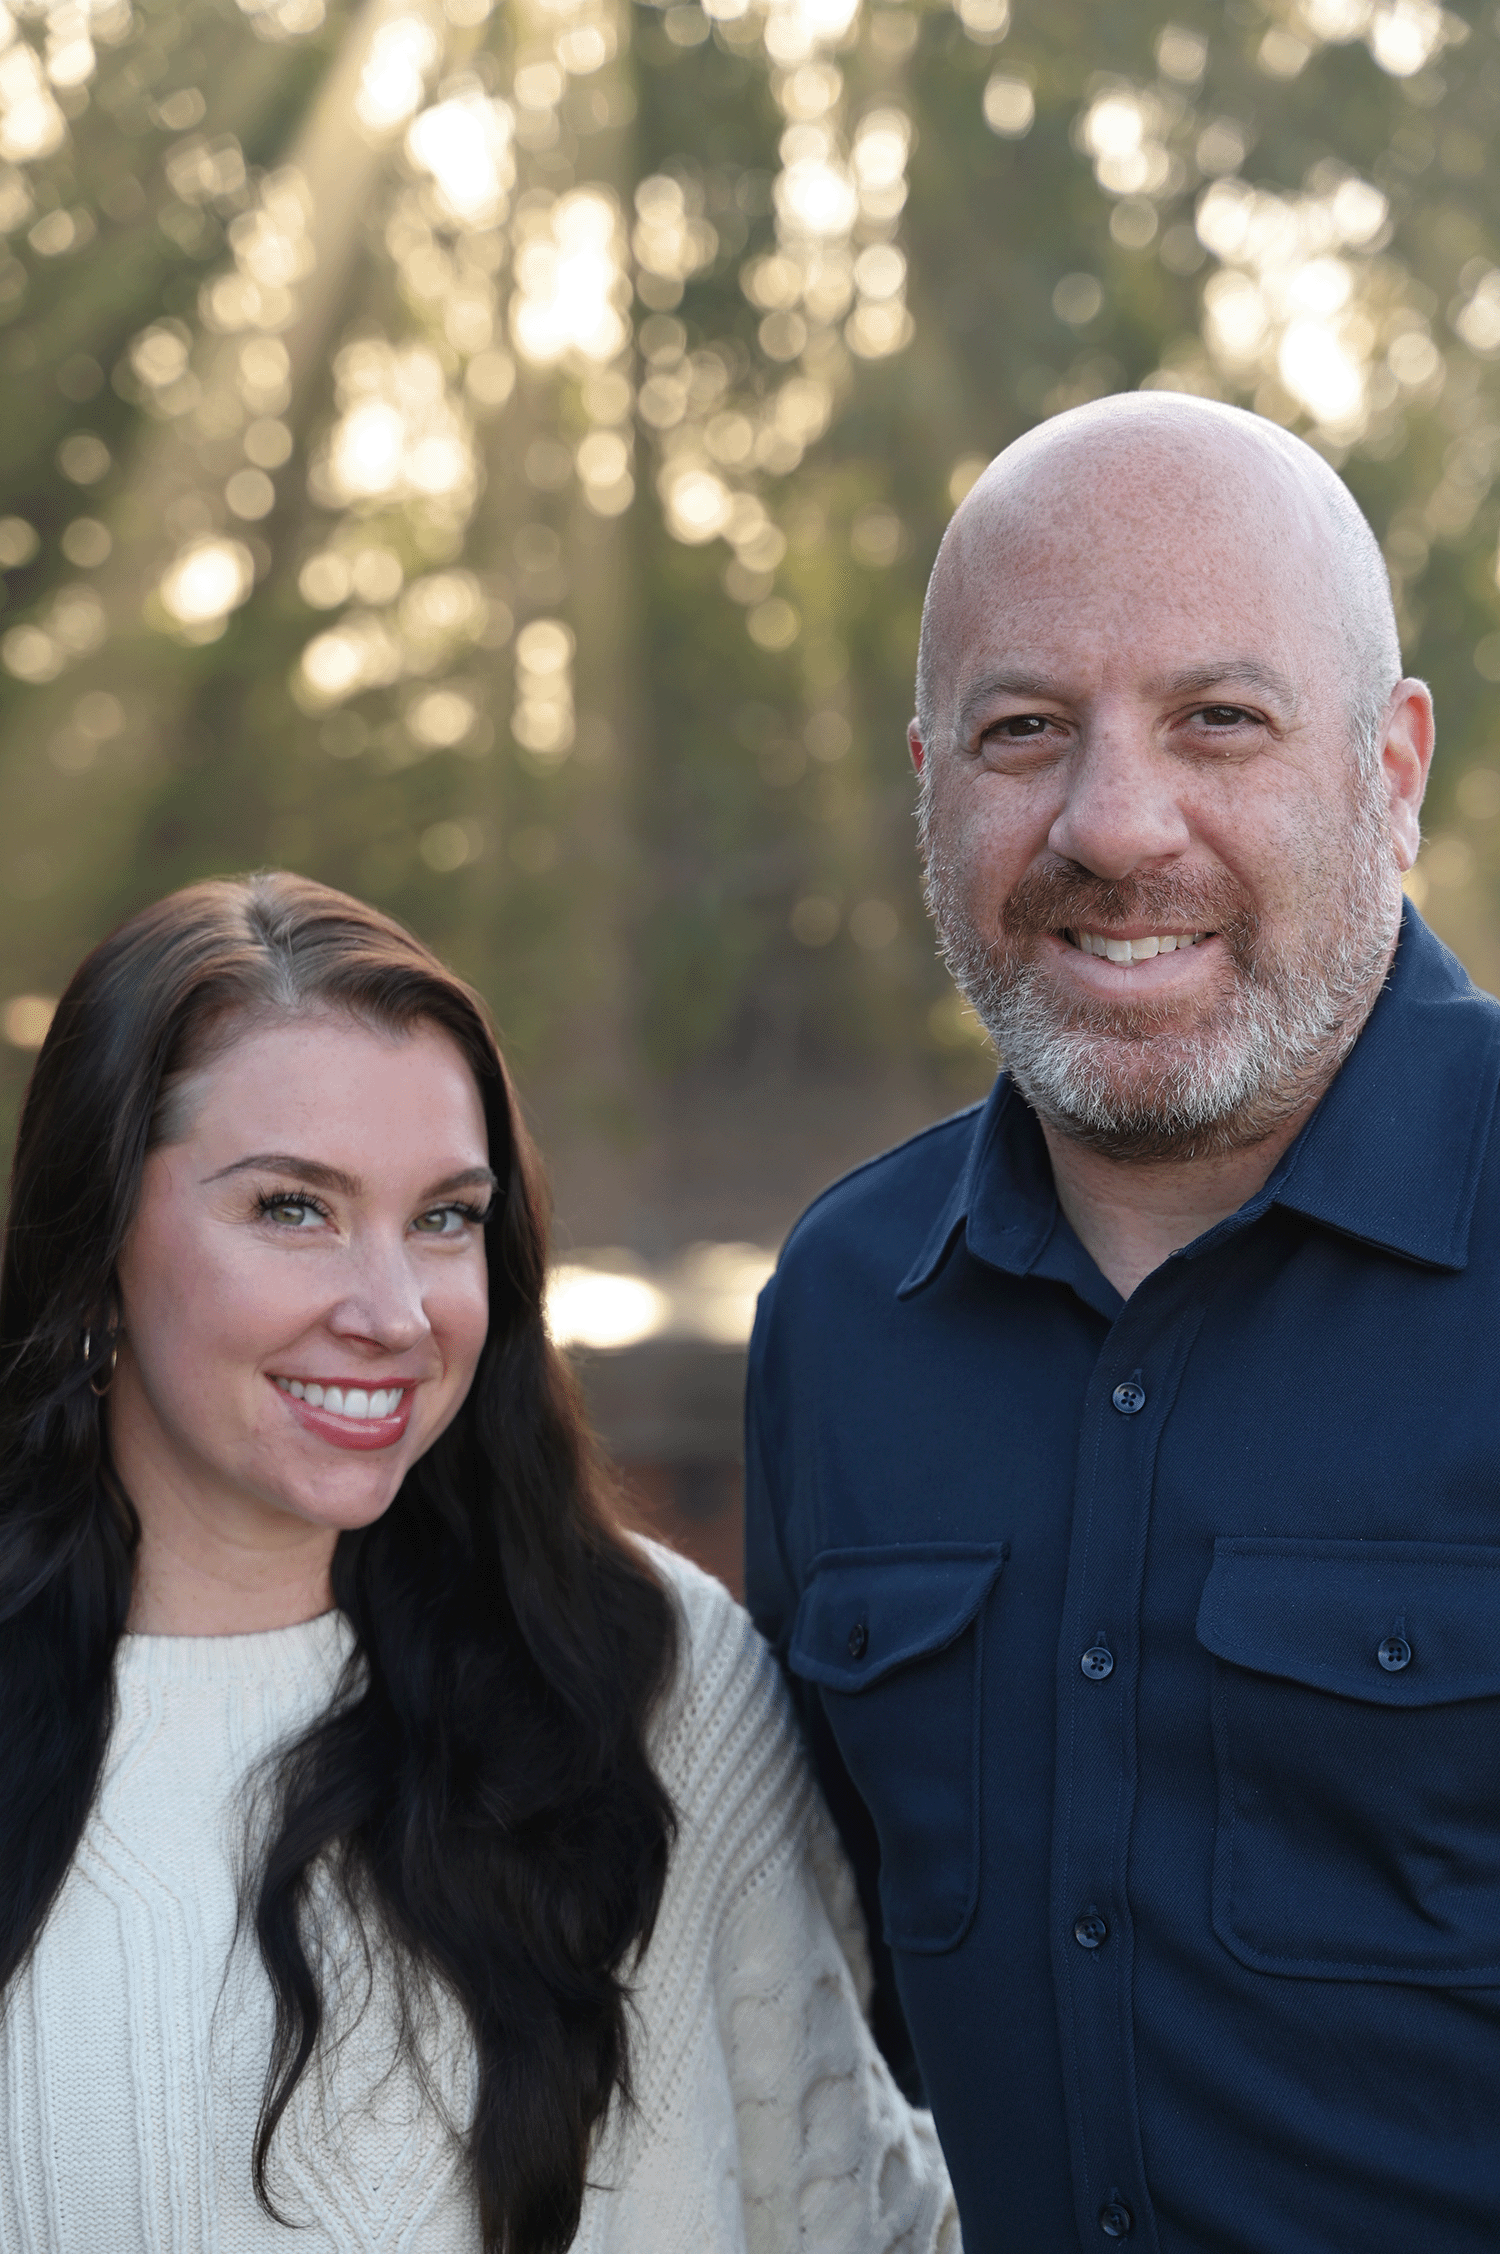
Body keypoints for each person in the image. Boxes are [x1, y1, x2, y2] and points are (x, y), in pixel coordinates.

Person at [743, 388, 1500, 2253]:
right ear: (932, 778)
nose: (1113, 822)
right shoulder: (844, 1318)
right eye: (1025, 732)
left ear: (1391, 767)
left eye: (1217, 721)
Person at [0, 871, 957, 2254]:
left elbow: (862, 2220)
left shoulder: (646, 1682)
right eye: (291, 1207)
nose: (394, 1311)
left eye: (446, 1217)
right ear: (97, 1254)